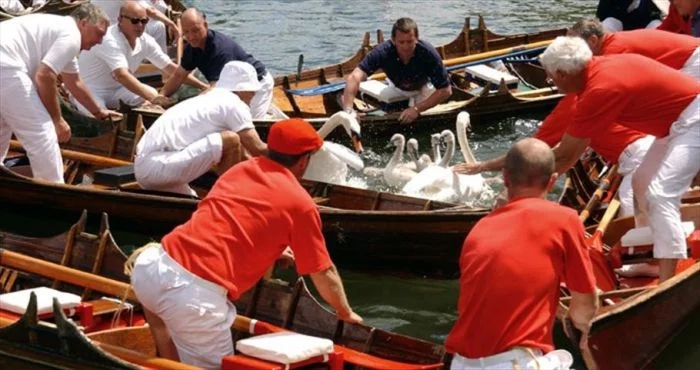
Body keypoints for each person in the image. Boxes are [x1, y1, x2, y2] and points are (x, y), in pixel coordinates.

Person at [129, 117, 363, 369]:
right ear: (304, 160)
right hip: (192, 297)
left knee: (165, 333)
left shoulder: (239, 170)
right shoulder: (301, 204)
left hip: (151, 269)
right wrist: (344, 311)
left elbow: (226, 222)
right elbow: (322, 271)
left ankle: (167, 363)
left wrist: (271, 252)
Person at [539, 36, 700, 283]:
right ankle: (650, 259)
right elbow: (566, 154)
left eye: (551, 76)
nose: (551, 82)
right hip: (675, 124)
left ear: (562, 73)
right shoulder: (599, 72)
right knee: (641, 183)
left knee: (660, 195)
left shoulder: (600, 88)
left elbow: (565, 155)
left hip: (693, 118)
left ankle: (666, 280)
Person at [445, 138, 598, 370]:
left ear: (505, 178)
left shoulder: (479, 229)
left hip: (460, 363)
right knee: (567, 356)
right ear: (553, 181)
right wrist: (583, 333)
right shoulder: (565, 219)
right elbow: (584, 308)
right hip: (517, 363)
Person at [454, 95, 652, 217]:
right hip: (651, 143)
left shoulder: (571, 108)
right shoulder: (594, 94)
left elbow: (528, 153)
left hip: (637, 155)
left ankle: (649, 263)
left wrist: (483, 167)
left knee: (632, 211)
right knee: (639, 210)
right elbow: (566, 155)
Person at [0, 3, 121, 183]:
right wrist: (57, 121)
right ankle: (54, 190)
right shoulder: (70, 35)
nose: (100, 41)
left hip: (5, 63)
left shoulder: (60, 32)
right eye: (99, 33)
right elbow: (45, 76)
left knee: (2, 125)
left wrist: (98, 112)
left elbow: (74, 82)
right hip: (6, 65)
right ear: (83, 23)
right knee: (43, 133)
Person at [134, 61, 267, 196]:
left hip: (147, 168)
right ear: (240, 89)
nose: (254, 94)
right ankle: (226, 198)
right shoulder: (233, 103)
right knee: (230, 139)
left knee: (194, 202)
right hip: (159, 166)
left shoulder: (209, 99)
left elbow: (244, 154)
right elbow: (258, 149)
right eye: (252, 90)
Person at [73, 1, 186, 114]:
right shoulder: (109, 40)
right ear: (120, 19)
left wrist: (202, 85)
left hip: (117, 89)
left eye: (144, 21)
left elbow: (173, 69)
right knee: (100, 116)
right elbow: (122, 75)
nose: (140, 26)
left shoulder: (145, 40)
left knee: (152, 92)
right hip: (91, 89)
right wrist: (153, 99)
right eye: (135, 21)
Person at [159, 8, 273, 119]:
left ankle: (266, 112)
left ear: (206, 25)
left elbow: (214, 90)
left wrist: (187, 109)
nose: (191, 37)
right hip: (233, 89)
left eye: (195, 30)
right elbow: (179, 75)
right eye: (186, 32)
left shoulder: (220, 50)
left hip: (257, 84)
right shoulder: (191, 48)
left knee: (250, 122)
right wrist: (161, 96)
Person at [341, 17, 452, 124]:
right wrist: (348, 110)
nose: (405, 47)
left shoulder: (428, 53)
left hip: (424, 88)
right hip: (396, 86)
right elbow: (354, 77)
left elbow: (446, 90)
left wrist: (416, 109)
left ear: (417, 39)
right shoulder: (383, 52)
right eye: (401, 42)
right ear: (393, 40)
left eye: (410, 42)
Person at [569, 18, 700, 80]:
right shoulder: (613, 43)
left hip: (694, 61)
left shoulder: (613, 53)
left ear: (593, 40)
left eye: (576, 46)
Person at [92, 0, 179, 52]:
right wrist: (171, 24)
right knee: (158, 26)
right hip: (114, 32)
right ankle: (158, 66)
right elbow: (151, 11)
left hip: (95, 29)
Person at [596, 0, 665, 31]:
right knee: (609, 23)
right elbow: (601, 18)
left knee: (656, 24)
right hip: (619, 33)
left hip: (646, 29)